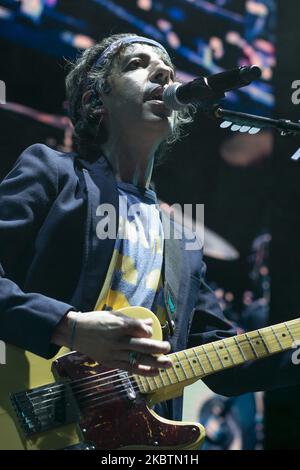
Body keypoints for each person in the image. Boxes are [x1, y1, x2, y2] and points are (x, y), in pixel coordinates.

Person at [0, 33, 300, 425]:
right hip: (27, 414)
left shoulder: (181, 244)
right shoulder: (52, 173)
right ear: (96, 100)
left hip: (133, 440)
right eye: (137, 64)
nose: (161, 71)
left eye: (168, 70)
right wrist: (67, 326)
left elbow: (226, 361)